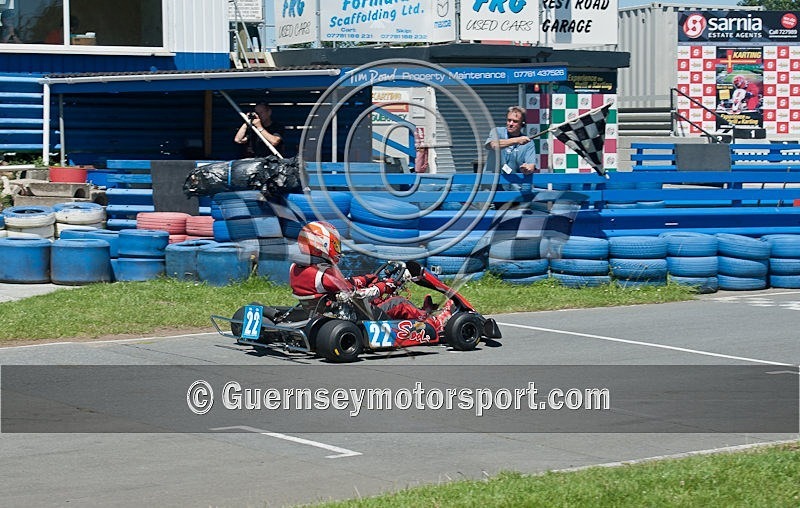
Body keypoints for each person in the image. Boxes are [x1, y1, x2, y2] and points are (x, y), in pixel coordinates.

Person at [289, 221, 453, 334]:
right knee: (399, 303)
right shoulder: (324, 275)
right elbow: (357, 295)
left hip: (328, 311)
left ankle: (423, 313)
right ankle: (436, 324)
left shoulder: (297, 268)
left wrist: (368, 278)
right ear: (322, 246)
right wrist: (387, 285)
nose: (336, 248)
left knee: (378, 299)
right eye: (334, 244)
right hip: (352, 317)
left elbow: (346, 287)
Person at [484, 106, 540, 177]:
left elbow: (531, 165)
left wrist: (527, 169)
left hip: (514, 185)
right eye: (509, 120)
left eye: (515, 121)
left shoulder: (528, 143)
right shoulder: (497, 132)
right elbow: (493, 145)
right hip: (491, 183)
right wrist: (516, 140)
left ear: (522, 124)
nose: (510, 124)